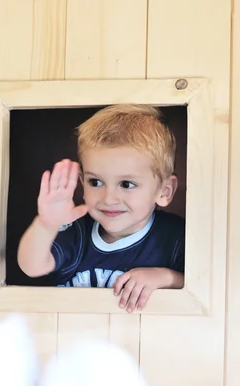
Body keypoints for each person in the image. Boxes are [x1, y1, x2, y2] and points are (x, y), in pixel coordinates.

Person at [17, 104, 185, 313]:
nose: (109, 198)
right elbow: (32, 267)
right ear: (82, 181)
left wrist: (166, 277)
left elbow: (206, 287)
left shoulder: (175, 237)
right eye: (95, 182)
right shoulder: (77, 230)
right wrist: (46, 225)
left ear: (165, 191)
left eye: (126, 184)